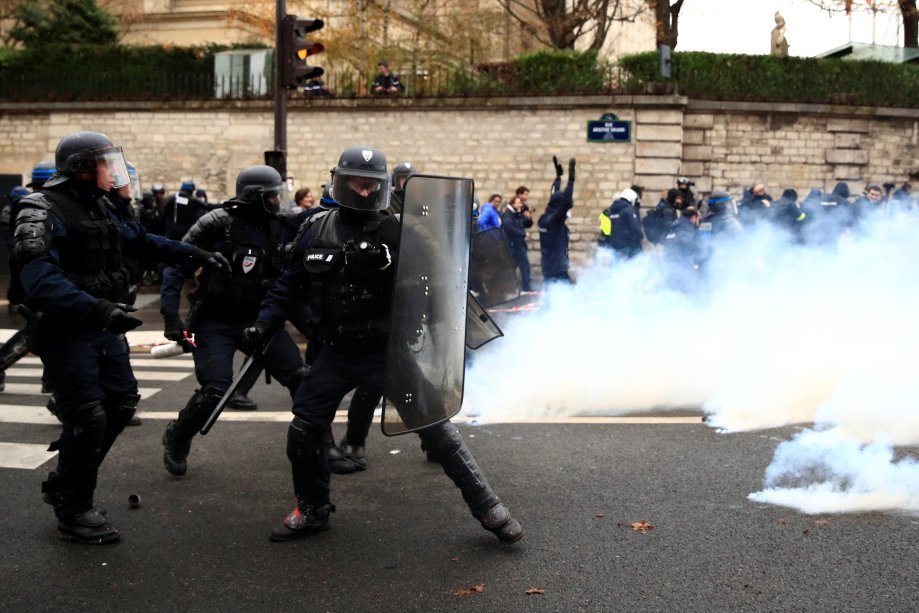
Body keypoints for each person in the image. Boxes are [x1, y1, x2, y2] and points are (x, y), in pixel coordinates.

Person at [242, 145, 522, 544]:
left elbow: (439, 283)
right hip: (334, 353)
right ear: (340, 181)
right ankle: (312, 508)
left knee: (436, 428)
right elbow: (289, 284)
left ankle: (488, 507)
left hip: (386, 351)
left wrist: (440, 328)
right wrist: (263, 324)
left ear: (382, 186)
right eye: (356, 182)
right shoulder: (315, 228)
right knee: (304, 431)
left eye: (371, 184)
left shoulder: (403, 230)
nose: (363, 191)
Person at [14, 130, 229, 544]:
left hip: (105, 325)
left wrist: (196, 254)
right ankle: (73, 507)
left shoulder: (102, 207)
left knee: (121, 403)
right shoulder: (40, 208)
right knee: (88, 416)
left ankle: (67, 478)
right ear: (80, 169)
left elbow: (143, 243)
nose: (113, 171)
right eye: (104, 163)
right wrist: (98, 309)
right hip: (67, 330)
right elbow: (38, 279)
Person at [160, 165, 310, 477]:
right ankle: (178, 436)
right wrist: (170, 314)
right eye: (271, 195)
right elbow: (176, 263)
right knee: (215, 389)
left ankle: (316, 445)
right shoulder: (217, 223)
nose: (277, 201)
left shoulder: (281, 226)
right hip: (217, 321)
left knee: (300, 378)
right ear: (255, 197)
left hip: (261, 320)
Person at [538, 156, 576, 285]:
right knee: (564, 295)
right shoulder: (554, 221)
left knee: (552, 296)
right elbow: (565, 203)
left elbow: (554, 196)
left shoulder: (545, 217)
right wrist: (571, 180)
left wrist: (558, 177)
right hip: (557, 268)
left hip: (549, 266)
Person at [597, 187, 643, 259]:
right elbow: (635, 228)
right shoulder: (628, 210)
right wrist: (640, 235)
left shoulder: (610, 211)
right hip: (627, 246)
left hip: (613, 246)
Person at [501, 194, 533, 291]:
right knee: (511, 268)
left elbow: (525, 224)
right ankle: (507, 288)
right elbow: (509, 228)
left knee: (524, 266)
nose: (520, 205)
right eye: (518, 203)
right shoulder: (508, 214)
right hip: (513, 245)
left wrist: (528, 217)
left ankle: (526, 286)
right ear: (512, 203)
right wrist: (523, 234)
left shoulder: (516, 214)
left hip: (519, 245)